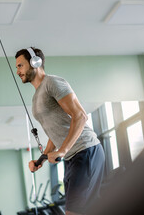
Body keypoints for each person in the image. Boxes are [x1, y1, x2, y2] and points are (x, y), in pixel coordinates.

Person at [15, 47, 105, 215]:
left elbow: (80, 116)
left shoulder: (52, 83)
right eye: (17, 67)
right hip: (72, 157)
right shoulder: (36, 97)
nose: (17, 71)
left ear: (35, 62)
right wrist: (41, 159)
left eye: (20, 66)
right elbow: (53, 131)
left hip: (85, 150)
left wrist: (62, 150)